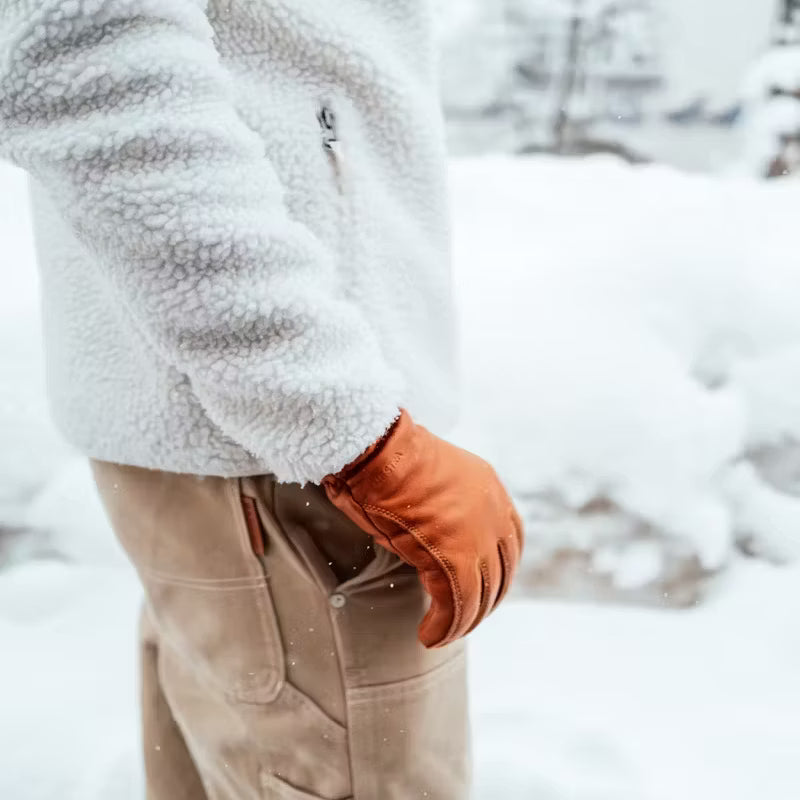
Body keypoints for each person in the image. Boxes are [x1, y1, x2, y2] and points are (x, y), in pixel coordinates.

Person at [0, 2, 524, 798]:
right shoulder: (324, 430)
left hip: (250, 431)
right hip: (287, 454)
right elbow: (86, 58)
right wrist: (348, 429)